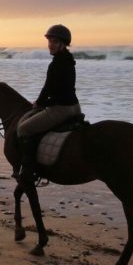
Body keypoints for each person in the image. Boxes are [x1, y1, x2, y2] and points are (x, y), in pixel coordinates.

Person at [16, 24, 82, 174]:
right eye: (49, 41)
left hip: (61, 109)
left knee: (24, 129)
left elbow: (48, 89)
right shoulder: (69, 59)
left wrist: (39, 103)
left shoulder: (56, 63)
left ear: (63, 44)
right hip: (75, 107)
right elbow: (63, 88)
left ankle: (29, 168)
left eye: (54, 42)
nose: (50, 45)